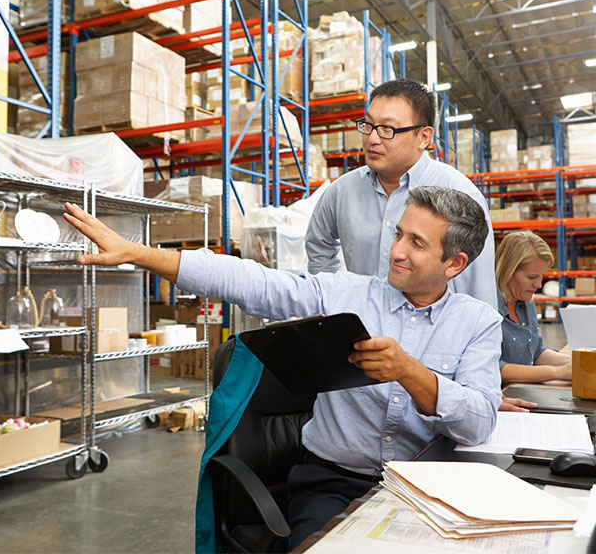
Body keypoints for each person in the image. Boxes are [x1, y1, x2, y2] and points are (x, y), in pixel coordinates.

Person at [63, 186, 502, 550]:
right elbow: (252, 282)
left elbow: (479, 422)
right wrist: (140, 254)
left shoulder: (478, 323)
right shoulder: (346, 294)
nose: (397, 251)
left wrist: (409, 371)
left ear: (454, 263)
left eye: (417, 244)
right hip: (333, 484)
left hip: (427, 493)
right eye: (399, 234)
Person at [305, 78, 497, 309]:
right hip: (360, 325)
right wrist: (334, 299)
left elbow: (478, 292)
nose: (372, 139)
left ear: (424, 137)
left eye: (387, 129)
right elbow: (318, 245)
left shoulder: (460, 194)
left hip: (431, 329)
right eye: (368, 125)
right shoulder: (342, 191)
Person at [496, 231, 571, 383]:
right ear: (508, 271)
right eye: (531, 277)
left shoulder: (526, 301)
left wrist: (578, 363)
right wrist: (558, 372)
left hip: (524, 390)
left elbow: (536, 353)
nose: (538, 285)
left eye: (542, 276)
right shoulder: (487, 307)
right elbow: (494, 368)